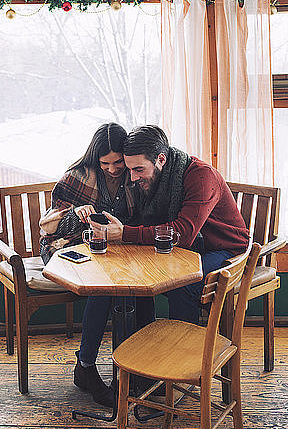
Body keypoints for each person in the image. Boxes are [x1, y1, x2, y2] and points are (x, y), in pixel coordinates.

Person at [40, 122, 155, 408]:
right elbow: (52, 228)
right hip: (70, 246)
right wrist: (77, 215)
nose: (114, 169)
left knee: (141, 286)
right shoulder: (76, 177)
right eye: (106, 163)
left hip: (116, 247)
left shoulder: (135, 175)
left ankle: (136, 368)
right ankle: (86, 367)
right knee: (103, 289)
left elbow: (144, 215)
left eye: (118, 162)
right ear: (95, 158)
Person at [91, 125, 250, 326]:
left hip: (227, 252)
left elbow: (182, 234)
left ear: (161, 159)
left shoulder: (201, 177)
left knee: (181, 284)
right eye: (129, 169)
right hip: (193, 250)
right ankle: (143, 341)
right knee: (139, 271)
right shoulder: (158, 178)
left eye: (139, 169)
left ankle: (184, 350)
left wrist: (124, 233)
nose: (132, 178)